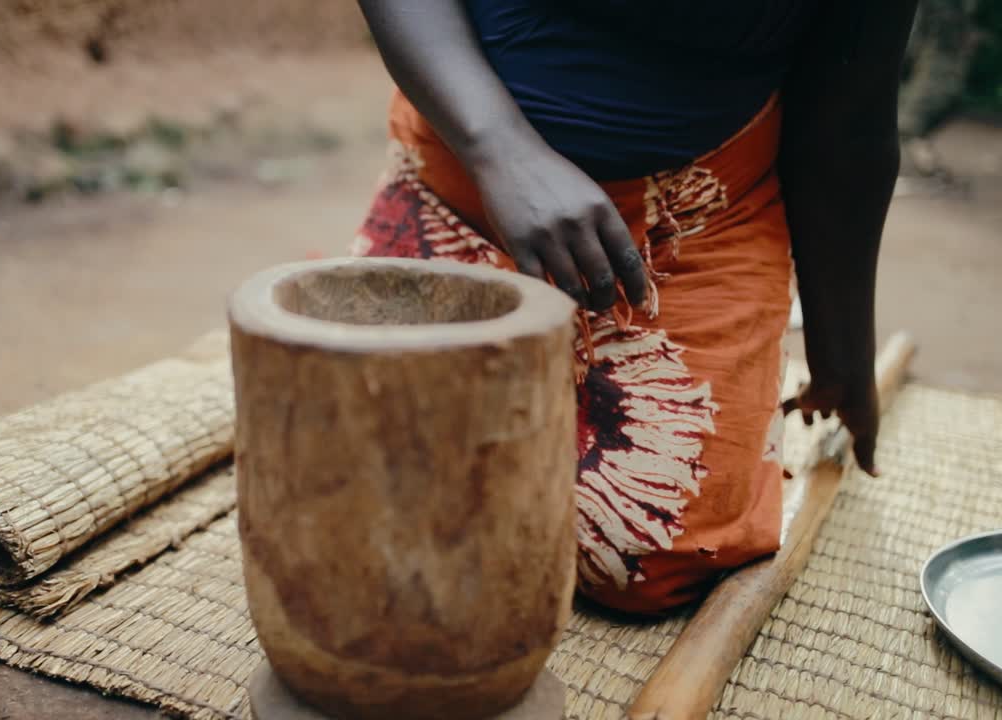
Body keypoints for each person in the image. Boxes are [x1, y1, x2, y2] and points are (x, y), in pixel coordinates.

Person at [352, 1, 918, 614]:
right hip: (466, 174)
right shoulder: (482, 155)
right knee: (347, 454)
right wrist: (500, 151)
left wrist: (841, 350)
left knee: (646, 546)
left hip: (693, 213)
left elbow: (848, 116)